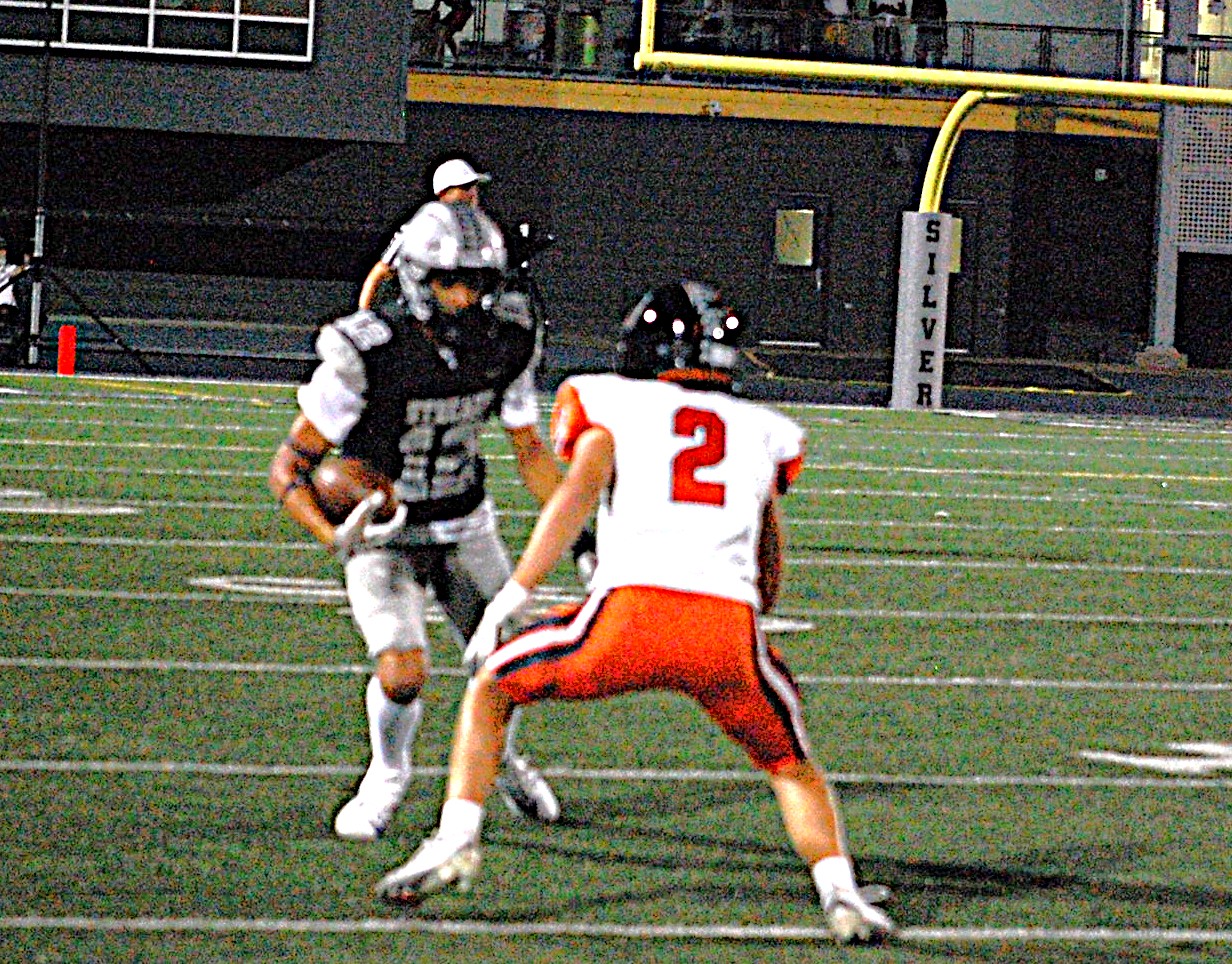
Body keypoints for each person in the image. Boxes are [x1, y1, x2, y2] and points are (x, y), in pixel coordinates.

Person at [375, 281, 897, 946]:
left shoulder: (611, 401)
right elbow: (769, 546)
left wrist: (512, 593)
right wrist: (755, 619)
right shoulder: (764, 430)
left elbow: (575, 499)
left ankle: (454, 841)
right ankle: (840, 894)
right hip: (725, 633)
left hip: (626, 619)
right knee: (790, 764)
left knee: (492, 689)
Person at [269, 199, 578, 842]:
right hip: (388, 534)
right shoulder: (370, 351)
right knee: (403, 673)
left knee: (508, 668)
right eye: (449, 282)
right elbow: (291, 471)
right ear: (416, 279)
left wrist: (580, 533)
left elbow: (528, 449)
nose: (465, 298)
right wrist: (335, 533)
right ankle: (386, 776)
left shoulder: (507, 341)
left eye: (478, 283)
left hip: (465, 523)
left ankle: (499, 761)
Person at [358, 157, 491, 312]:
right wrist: (363, 313)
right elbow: (381, 271)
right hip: (423, 317)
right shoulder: (421, 228)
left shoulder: (483, 229)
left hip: (467, 320)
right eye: (466, 187)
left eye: (474, 187)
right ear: (444, 192)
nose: (473, 193)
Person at [0, 237, 27, 367]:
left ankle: (17, 358)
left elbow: (24, 268)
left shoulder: (11, 269)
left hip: (9, 310)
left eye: (3, 250)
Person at [910, 0, 946, 68]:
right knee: (934, 56)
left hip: (928, 30)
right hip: (929, 30)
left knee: (934, 56)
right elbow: (944, 18)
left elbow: (913, 17)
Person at [869, 0, 905, 65]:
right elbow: (871, 12)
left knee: (893, 48)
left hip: (893, 27)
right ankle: (878, 60)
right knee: (879, 48)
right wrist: (880, 9)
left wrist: (892, 10)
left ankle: (894, 60)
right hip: (879, 26)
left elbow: (903, 13)